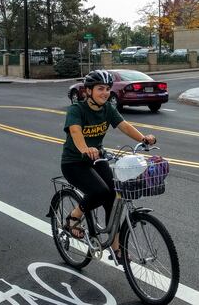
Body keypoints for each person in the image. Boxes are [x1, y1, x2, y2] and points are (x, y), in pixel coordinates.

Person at [61, 69, 156, 263]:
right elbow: (75, 132)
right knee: (100, 192)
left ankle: (116, 249)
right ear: (88, 91)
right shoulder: (76, 110)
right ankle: (72, 219)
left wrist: (143, 138)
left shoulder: (107, 109)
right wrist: (85, 148)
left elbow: (123, 125)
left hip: (98, 159)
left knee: (113, 196)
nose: (105, 92)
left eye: (107, 89)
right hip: (74, 163)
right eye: (99, 89)